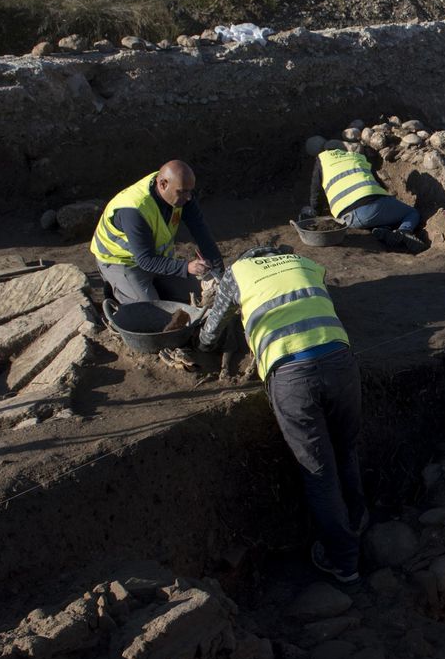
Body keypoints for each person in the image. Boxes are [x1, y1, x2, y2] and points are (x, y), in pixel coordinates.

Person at [197, 245, 365, 583]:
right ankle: (360, 524)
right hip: (340, 362)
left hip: (291, 374)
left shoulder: (237, 273)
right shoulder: (304, 261)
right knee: (345, 450)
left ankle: (345, 562)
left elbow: (213, 328)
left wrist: (201, 344)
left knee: (320, 473)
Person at [91, 160, 223, 304]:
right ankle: (117, 290)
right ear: (163, 184)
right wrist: (186, 267)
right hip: (121, 262)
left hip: (157, 257)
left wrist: (220, 274)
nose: (189, 197)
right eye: (183, 192)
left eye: (190, 191)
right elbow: (145, 260)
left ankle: (153, 289)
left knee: (200, 294)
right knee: (153, 313)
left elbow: (201, 232)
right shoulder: (134, 210)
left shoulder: (181, 190)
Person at [301, 141, 427, 253]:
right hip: (375, 207)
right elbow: (379, 184)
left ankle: (382, 232)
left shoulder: (322, 159)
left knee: (373, 218)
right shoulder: (358, 157)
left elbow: (316, 190)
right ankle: (404, 231)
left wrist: (316, 210)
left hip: (347, 220)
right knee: (411, 213)